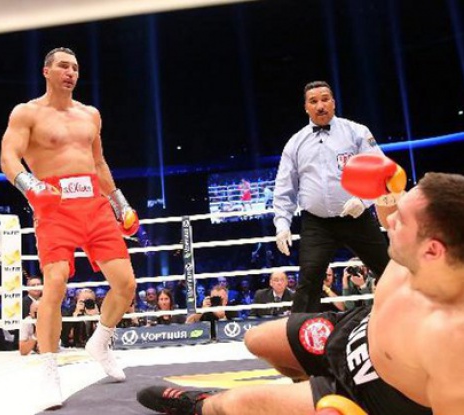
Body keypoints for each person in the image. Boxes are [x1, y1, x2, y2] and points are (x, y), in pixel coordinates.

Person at [137, 169, 464, 415]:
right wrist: (385, 187)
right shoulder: (424, 252)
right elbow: (393, 211)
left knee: (236, 404)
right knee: (257, 339)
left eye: (401, 221)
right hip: (352, 330)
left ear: (432, 250)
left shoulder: (451, 340)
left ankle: (201, 406)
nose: (389, 222)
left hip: (365, 394)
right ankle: (304, 390)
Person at [0, 47, 138, 410]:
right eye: (63, 66)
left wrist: (121, 204)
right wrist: (32, 187)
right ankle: (49, 370)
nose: (70, 72)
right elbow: (8, 157)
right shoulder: (27, 112)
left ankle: (100, 342)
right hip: (55, 208)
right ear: (46, 71)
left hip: (95, 206)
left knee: (126, 284)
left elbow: (99, 163)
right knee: (56, 282)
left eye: (75, 67)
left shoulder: (90, 114)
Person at [273, 80, 391, 312]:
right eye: (313, 101)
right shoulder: (295, 143)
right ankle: (300, 332)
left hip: (356, 216)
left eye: (325, 99)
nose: (320, 106)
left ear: (334, 103)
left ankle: (409, 319)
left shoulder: (356, 132)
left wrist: (364, 200)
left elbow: (380, 170)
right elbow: (285, 188)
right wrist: (282, 224)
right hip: (317, 223)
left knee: (387, 269)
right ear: (306, 107)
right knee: (309, 279)